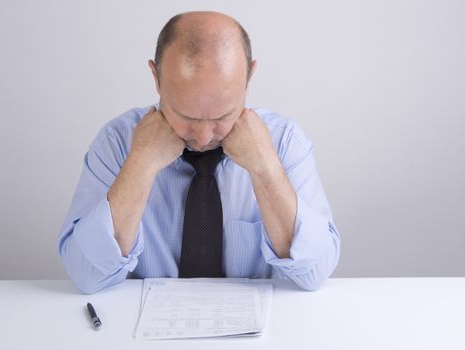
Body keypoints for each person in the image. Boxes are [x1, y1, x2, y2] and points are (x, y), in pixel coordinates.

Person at [57, 11, 340, 294]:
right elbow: (86, 274)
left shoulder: (284, 141)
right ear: (156, 77)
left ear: (249, 77)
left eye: (223, 115)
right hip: (139, 333)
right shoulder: (117, 142)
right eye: (186, 115)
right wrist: (139, 166)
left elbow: (314, 273)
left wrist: (266, 170)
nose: (204, 136)